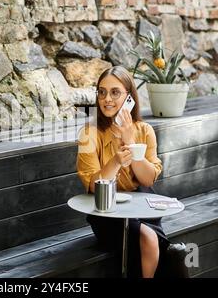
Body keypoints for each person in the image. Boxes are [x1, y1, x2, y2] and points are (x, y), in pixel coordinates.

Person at [76, 66, 169, 278]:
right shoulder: (89, 133)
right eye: (102, 92)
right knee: (148, 239)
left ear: (129, 97)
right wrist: (117, 160)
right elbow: (93, 185)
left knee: (152, 240)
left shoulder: (144, 130)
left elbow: (147, 179)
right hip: (105, 211)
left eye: (115, 92)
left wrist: (129, 140)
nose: (107, 99)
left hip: (142, 207)